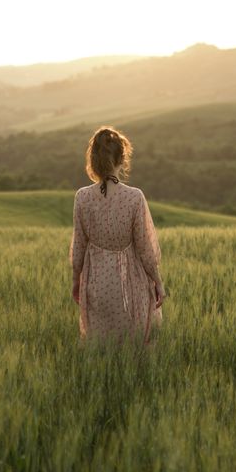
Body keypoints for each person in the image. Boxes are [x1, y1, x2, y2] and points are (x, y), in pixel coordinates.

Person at [70, 126, 165, 344]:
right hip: (132, 284)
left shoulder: (82, 197)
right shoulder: (134, 197)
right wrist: (158, 283)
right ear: (122, 158)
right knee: (135, 347)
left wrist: (76, 281)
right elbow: (145, 249)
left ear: (93, 160)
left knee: (102, 345)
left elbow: (78, 247)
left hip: (96, 282)